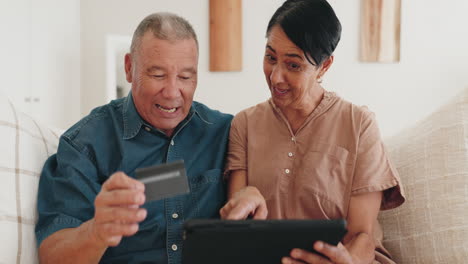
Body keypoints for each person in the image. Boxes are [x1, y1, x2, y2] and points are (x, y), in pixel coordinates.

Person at [35, 13, 232, 264]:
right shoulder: (84, 145)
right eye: (158, 75)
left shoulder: (225, 133)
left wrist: (249, 191)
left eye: (185, 77)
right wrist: (97, 231)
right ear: (129, 68)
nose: (172, 92)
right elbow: (53, 255)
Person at [220, 0, 405, 263]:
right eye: (270, 57)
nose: (275, 77)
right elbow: (236, 226)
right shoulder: (245, 123)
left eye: (293, 65)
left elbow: (363, 236)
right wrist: (243, 199)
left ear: (324, 66)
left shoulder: (359, 124)